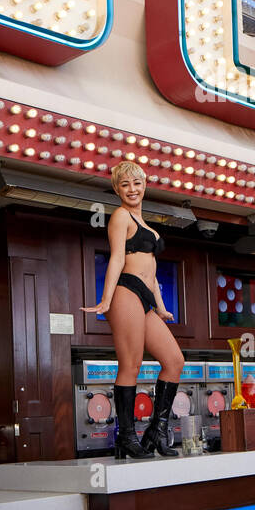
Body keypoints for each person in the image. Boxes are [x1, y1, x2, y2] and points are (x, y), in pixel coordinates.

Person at [82, 161, 185, 458]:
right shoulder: (120, 216)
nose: (132, 189)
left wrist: (162, 308)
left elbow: (151, 274)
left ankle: (157, 430)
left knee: (174, 360)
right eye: (125, 184)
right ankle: (126, 437)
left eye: (136, 183)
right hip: (125, 292)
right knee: (131, 365)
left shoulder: (147, 227)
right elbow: (116, 259)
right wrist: (106, 299)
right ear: (117, 189)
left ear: (145, 185)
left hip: (145, 298)